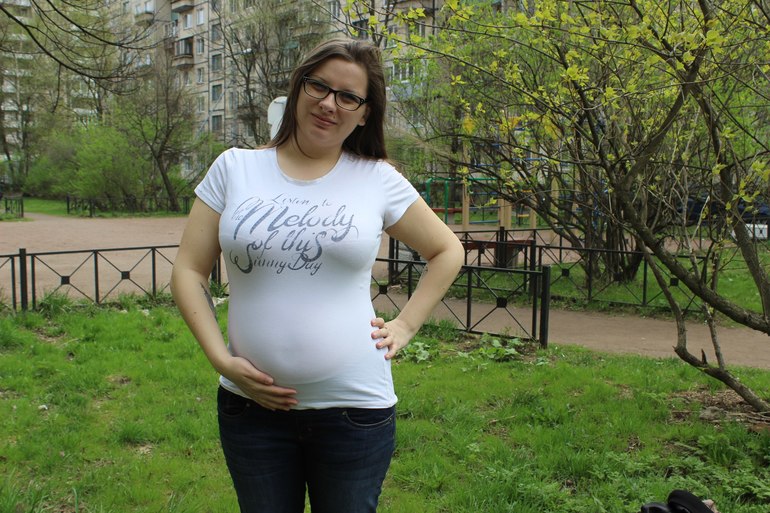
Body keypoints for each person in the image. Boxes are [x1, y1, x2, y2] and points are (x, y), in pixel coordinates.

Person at [171, 38, 464, 513]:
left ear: (364, 113)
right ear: (298, 87)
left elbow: (447, 250)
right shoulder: (235, 168)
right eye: (319, 87)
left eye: (348, 96)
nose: (329, 104)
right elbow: (188, 270)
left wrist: (406, 324)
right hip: (251, 411)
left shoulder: (376, 178)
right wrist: (220, 360)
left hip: (355, 411)